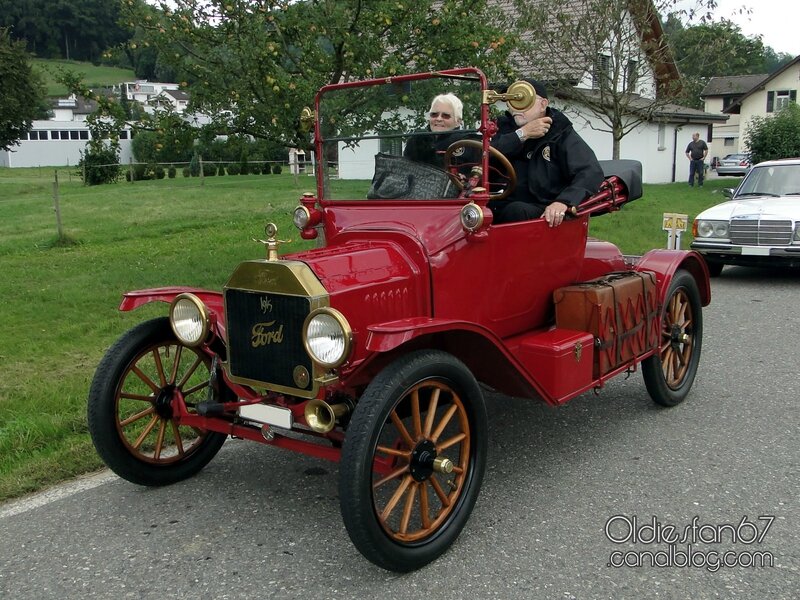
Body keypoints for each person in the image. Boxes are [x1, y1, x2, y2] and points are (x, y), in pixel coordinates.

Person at [489, 78, 604, 227]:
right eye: (512, 100)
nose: (517, 107)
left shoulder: (560, 133)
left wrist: (563, 202)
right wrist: (521, 135)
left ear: (543, 104)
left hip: (541, 207)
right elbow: (481, 155)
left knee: (516, 211)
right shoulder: (501, 128)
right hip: (497, 201)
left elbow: (590, 171)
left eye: (523, 99)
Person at [403, 93, 469, 168]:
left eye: (445, 116)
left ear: (458, 122)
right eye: (434, 114)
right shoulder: (417, 140)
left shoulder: (467, 143)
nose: (439, 119)